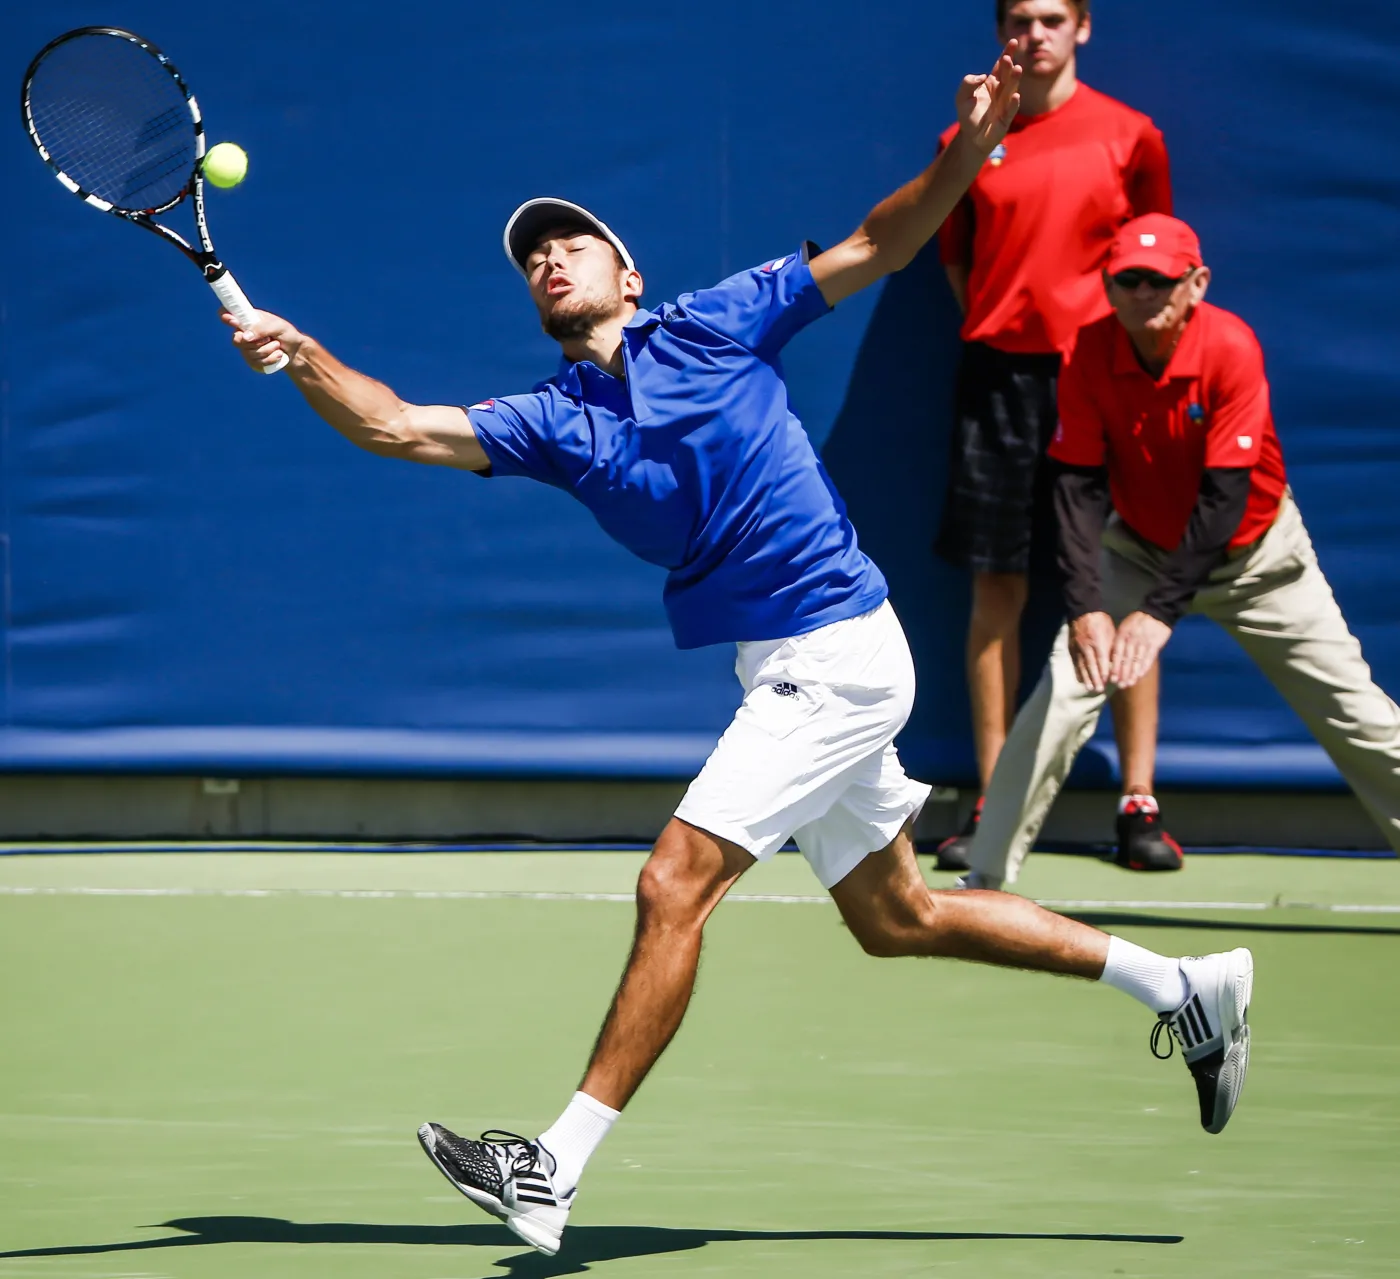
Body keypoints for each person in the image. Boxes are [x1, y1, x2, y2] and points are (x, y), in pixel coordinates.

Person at [227, 62, 1253, 1259]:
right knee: (898, 915)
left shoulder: (716, 318)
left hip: (838, 651)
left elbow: (880, 241)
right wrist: (299, 352)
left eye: (572, 244)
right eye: (532, 258)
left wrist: (973, 149)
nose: (550, 259)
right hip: (783, 664)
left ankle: (551, 1164)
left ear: (628, 275)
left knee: (672, 882)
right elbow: (393, 422)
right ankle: (1180, 989)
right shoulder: (553, 421)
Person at [961, 213, 1400, 891]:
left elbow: (1224, 498)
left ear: (1196, 284)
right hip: (1134, 552)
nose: (1141, 294)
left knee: (1357, 713)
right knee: (1058, 700)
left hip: (1260, 563)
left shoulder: (1231, 348)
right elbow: (1075, 488)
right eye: (1126, 280)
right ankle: (982, 886)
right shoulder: (1087, 351)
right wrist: (1086, 609)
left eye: (1158, 281)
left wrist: (1159, 611)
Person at [932, 0, 1181, 874]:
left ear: (1082, 28)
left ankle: (1138, 801)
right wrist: (1004, 329)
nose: (1030, 36)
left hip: (1103, 385)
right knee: (997, 586)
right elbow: (954, 254)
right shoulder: (968, 136)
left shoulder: (1130, 136)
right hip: (997, 381)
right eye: (1016, 21)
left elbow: (1159, 264)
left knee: (1125, 580)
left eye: (1049, 19)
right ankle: (996, 798)